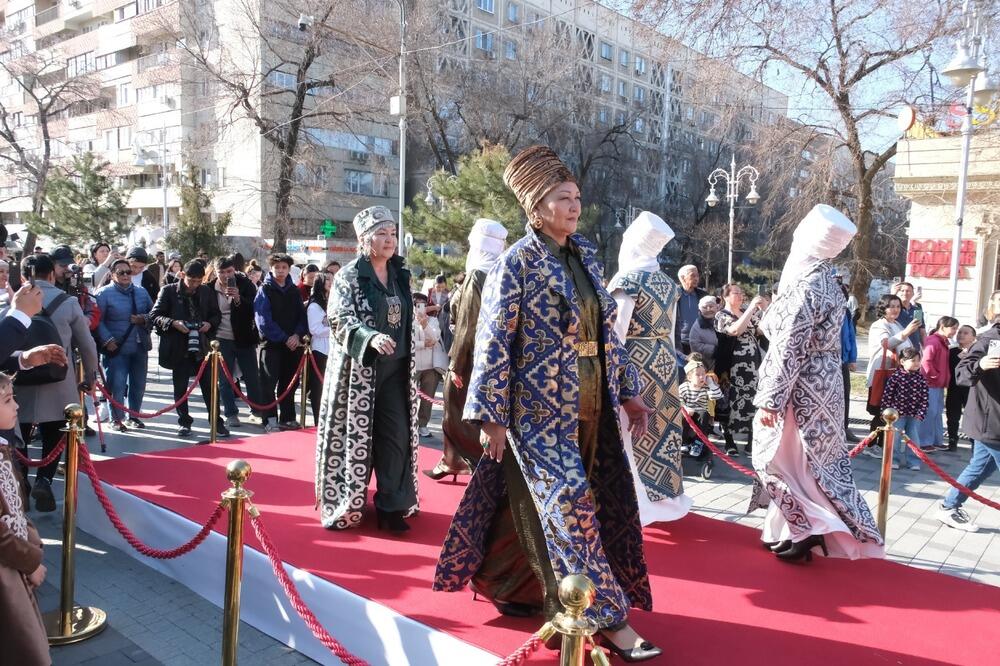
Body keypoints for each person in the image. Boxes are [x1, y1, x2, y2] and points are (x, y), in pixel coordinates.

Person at [434, 146, 659, 661]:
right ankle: (608, 619)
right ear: (536, 204)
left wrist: (629, 393)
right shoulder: (516, 262)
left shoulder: (584, 255)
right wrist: (490, 416)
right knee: (570, 507)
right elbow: (494, 339)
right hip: (535, 413)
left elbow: (606, 335)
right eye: (563, 197)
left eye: (577, 196)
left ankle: (513, 586)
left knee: (573, 504)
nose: (574, 205)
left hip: (592, 404)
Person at [751, 203, 883, 562]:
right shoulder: (827, 279)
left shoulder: (805, 284)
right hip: (824, 383)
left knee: (776, 461)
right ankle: (787, 529)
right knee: (808, 463)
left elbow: (788, 345)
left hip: (798, 387)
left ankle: (808, 527)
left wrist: (770, 399)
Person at [315, 206, 418, 533]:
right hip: (359, 374)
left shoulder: (401, 274)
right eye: (381, 234)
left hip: (397, 372)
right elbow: (339, 318)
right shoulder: (348, 276)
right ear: (364, 239)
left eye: (392, 234)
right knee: (355, 439)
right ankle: (349, 499)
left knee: (396, 436)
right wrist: (369, 337)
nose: (390, 240)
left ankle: (391, 505)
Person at [608, 210, 691, 524]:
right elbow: (669, 329)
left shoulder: (626, 280)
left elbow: (616, 332)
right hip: (664, 361)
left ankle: (634, 502)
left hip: (634, 362)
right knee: (660, 430)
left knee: (630, 431)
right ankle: (663, 498)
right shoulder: (668, 283)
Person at [16, 255, 98, 512]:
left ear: (23, 275)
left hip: (21, 377)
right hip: (59, 378)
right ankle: (44, 480)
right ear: (52, 275)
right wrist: (90, 376)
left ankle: (22, 483)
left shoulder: (12, 301)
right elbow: (87, 344)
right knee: (56, 431)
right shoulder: (68, 302)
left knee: (18, 434)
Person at [427, 219, 507, 481]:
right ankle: (452, 460)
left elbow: (468, 324)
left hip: (470, 358)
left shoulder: (477, 275)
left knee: (457, 410)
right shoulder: (501, 273)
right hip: (492, 358)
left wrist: (458, 364)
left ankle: (471, 463)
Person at [0, 373, 50, 665]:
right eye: (7, 400)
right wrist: (31, 562)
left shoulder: (4, 451)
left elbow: (15, 510)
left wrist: (31, 543)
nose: (17, 406)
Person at [150, 260, 228, 438]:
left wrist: (209, 324)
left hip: (202, 347)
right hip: (179, 347)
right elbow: (155, 315)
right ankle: (184, 422)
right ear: (183, 275)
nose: (194, 285)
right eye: (191, 280)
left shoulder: (206, 291)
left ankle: (216, 422)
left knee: (210, 387)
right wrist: (173, 323)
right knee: (180, 388)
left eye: (198, 281)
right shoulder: (168, 291)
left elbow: (216, 315)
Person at [936, 320, 1000, 533]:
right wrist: (980, 365)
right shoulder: (989, 339)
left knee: (980, 467)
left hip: (991, 424)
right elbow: (962, 373)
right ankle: (949, 506)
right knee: (980, 466)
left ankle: (949, 506)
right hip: (991, 422)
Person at [94, 258, 154, 432]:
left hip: (140, 345)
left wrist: (144, 319)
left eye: (128, 272)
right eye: (121, 273)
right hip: (116, 348)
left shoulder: (141, 292)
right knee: (117, 384)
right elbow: (98, 321)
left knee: (138, 383)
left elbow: (155, 314)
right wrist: (107, 340)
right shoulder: (103, 294)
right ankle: (116, 419)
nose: (126, 275)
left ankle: (134, 416)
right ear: (112, 275)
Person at [254, 253, 307, 432]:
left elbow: (302, 316)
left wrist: (297, 335)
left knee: (290, 383)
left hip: (293, 345)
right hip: (271, 346)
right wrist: (284, 338)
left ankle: (288, 417)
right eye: (277, 267)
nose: (281, 271)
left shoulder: (294, 290)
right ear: (271, 268)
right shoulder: (265, 290)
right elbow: (263, 321)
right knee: (268, 384)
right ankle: (269, 419)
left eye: (284, 267)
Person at [863, 294, 921, 458]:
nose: (895, 309)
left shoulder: (896, 323)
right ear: (883, 308)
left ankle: (883, 444)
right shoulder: (878, 325)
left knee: (890, 411)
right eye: (891, 306)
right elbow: (886, 344)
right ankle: (872, 445)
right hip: (883, 373)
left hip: (896, 375)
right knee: (881, 411)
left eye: (897, 306)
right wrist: (906, 333)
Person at [715, 282, 766, 456]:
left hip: (753, 365)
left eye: (741, 293)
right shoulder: (721, 315)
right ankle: (729, 440)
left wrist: (765, 309)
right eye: (735, 293)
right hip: (732, 366)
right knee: (730, 401)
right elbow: (736, 330)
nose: (740, 296)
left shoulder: (747, 312)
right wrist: (751, 308)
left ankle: (752, 441)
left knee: (754, 400)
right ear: (726, 296)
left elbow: (762, 330)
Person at [211, 255, 262, 428]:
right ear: (216, 272)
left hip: (244, 337)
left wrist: (239, 298)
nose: (226, 275)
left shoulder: (246, 284)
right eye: (222, 272)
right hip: (221, 338)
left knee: (251, 376)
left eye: (229, 271)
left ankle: (256, 410)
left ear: (235, 270)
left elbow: (254, 309)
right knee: (225, 379)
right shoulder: (210, 288)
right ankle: (231, 413)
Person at [880, 347, 927, 470]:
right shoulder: (896, 377)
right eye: (913, 360)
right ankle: (893, 460)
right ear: (902, 362)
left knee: (913, 438)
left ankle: (914, 461)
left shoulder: (921, 378)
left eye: (918, 360)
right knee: (894, 438)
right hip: (897, 415)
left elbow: (925, 398)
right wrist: (885, 412)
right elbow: (887, 395)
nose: (917, 363)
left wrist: (921, 413)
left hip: (914, 414)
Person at [920, 316, 959, 453]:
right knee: (930, 412)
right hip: (931, 383)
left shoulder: (942, 342)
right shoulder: (933, 341)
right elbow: (926, 362)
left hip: (938, 383)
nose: (955, 331)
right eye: (953, 328)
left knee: (936, 412)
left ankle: (936, 440)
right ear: (943, 327)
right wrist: (935, 376)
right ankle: (924, 442)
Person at [412, 293, 445, 439]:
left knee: (428, 398)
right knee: (409, 398)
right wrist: (422, 344)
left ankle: (423, 425)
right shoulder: (408, 320)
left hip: (430, 366)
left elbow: (435, 338)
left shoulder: (432, 320)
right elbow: (407, 342)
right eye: (417, 304)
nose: (421, 307)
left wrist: (425, 326)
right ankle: (409, 425)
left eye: (423, 304)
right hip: (412, 365)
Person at [305, 273, 331, 425]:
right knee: (318, 388)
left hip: (332, 349)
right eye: (327, 279)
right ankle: (318, 420)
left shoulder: (333, 301)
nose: (330, 282)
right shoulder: (315, 304)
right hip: (320, 349)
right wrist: (334, 329)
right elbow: (315, 329)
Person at [946, 325, 977, 451]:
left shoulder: (977, 352)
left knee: (972, 416)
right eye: (959, 332)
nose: (961, 335)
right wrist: (959, 358)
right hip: (954, 388)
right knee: (952, 415)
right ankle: (952, 439)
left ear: (973, 337)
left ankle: (974, 441)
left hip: (971, 389)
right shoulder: (951, 351)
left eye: (965, 333)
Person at [840, 284, 860, 443]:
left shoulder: (846, 312)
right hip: (824, 360)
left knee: (845, 394)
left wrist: (852, 357)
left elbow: (851, 335)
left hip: (842, 360)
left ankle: (844, 427)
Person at [674, 265, 708, 355]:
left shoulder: (703, 295)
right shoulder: (673, 295)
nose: (697, 278)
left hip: (699, 341)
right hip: (679, 343)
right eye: (693, 275)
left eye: (697, 275)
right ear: (682, 278)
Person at [688, 295, 721, 370]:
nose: (708, 309)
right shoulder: (697, 327)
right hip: (707, 366)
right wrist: (716, 350)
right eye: (704, 307)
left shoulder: (723, 320)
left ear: (717, 307)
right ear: (700, 310)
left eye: (711, 306)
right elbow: (695, 345)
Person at [892, 281, 924, 351]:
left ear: (913, 293)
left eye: (908, 291)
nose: (905, 293)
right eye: (902, 291)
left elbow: (921, 330)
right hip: (898, 347)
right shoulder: (893, 309)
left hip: (914, 349)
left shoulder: (917, 309)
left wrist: (925, 348)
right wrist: (893, 295)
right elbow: (883, 311)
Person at [426, 274, 452, 352]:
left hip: (444, 321)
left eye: (442, 287)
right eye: (438, 287)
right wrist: (434, 307)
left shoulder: (449, 293)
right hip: (430, 320)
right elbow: (424, 308)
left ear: (446, 286)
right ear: (434, 285)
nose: (440, 289)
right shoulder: (429, 292)